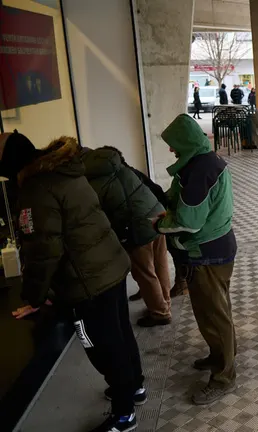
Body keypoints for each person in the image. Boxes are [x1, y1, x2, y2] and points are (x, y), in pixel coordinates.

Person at [1, 132, 142, 432]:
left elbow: (43, 250)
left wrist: (34, 297)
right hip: (109, 264)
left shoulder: (36, 189)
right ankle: (134, 388)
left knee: (103, 346)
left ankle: (124, 414)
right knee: (120, 334)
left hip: (87, 281)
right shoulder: (62, 170)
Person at [156, 114, 238, 405]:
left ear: (186, 141)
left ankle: (224, 377)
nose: (171, 150)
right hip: (218, 248)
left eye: (174, 144)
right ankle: (220, 356)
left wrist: (160, 224)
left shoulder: (200, 170)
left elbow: (190, 222)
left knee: (214, 315)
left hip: (207, 253)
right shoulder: (205, 160)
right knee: (216, 311)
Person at [80, 146, 171, 327]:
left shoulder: (93, 182)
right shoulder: (120, 167)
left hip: (137, 226)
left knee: (144, 271)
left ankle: (160, 313)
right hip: (158, 215)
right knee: (160, 263)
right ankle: (163, 303)